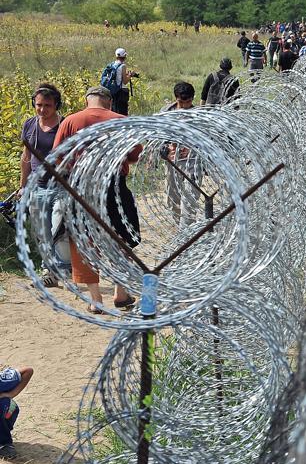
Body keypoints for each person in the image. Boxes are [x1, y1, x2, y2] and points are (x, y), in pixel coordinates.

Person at [53, 87, 141, 312]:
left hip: (81, 185)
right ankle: (120, 292)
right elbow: (134, 156)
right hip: (113, 186)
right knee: (121, 237)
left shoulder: (71, 121)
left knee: (85, 240)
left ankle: (95, 300)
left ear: (87, 101)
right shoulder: (121, 121)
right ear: (109, 102)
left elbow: (58, 157)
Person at [19, 84, 66, 284]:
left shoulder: (65, 124)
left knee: (58, 228)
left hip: (62, 186)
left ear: (56, 105)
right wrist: (23, 186)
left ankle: (63, 268)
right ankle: (50, 272)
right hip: (37, 186)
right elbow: (26, 157)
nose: (42, 109)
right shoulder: (30, 125)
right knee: (42, 232)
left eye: (47, 105)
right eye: (39, 105)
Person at [161, 82, 201, 226]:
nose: (184, 106)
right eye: (181, 102)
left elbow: (206, 139)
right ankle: (178, 227)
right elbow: (158, 136)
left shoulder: (199, 116)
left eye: (188, 102)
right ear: (176, 98)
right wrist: (164, 147)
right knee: (173, 198)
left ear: (193, 99)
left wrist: (193, 148)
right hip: (172, 162)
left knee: (189, 199)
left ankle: (186, 234)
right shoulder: (166, 113)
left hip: (192, 162)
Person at [0, 366, 33, 459]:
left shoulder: (3, 381)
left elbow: (28, 371)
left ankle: (4, 443)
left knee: (4, 403)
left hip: (6, 411)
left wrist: (12, 394)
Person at [104, 48, 138, 115]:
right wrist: (130, 75)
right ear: (124, 56)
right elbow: (124, 81)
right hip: (121, 91)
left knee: (114, 110)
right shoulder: (123, 66)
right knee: (122, 112)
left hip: (113, 90)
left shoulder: (112, 64)